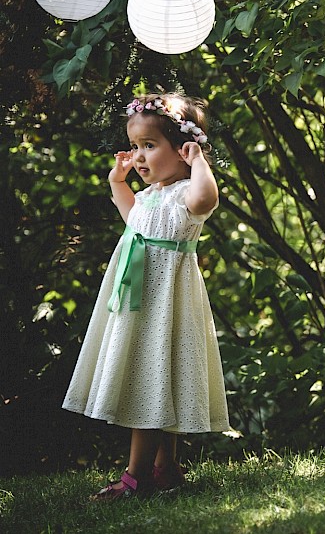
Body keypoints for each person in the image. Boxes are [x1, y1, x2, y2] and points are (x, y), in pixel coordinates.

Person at [63, 93, 229, 500]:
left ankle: (135, 477)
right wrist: (117, 181)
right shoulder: (152, 196)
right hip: (137, 303)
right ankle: (165, 468)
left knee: (152, 378)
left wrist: (200, 162)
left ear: (183, 149)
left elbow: (207, 199)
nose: (138, 156)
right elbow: (132, 217)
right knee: (158, 378)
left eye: (149, 146)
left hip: (166, 303)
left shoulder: (188, 192)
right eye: (135, 147)